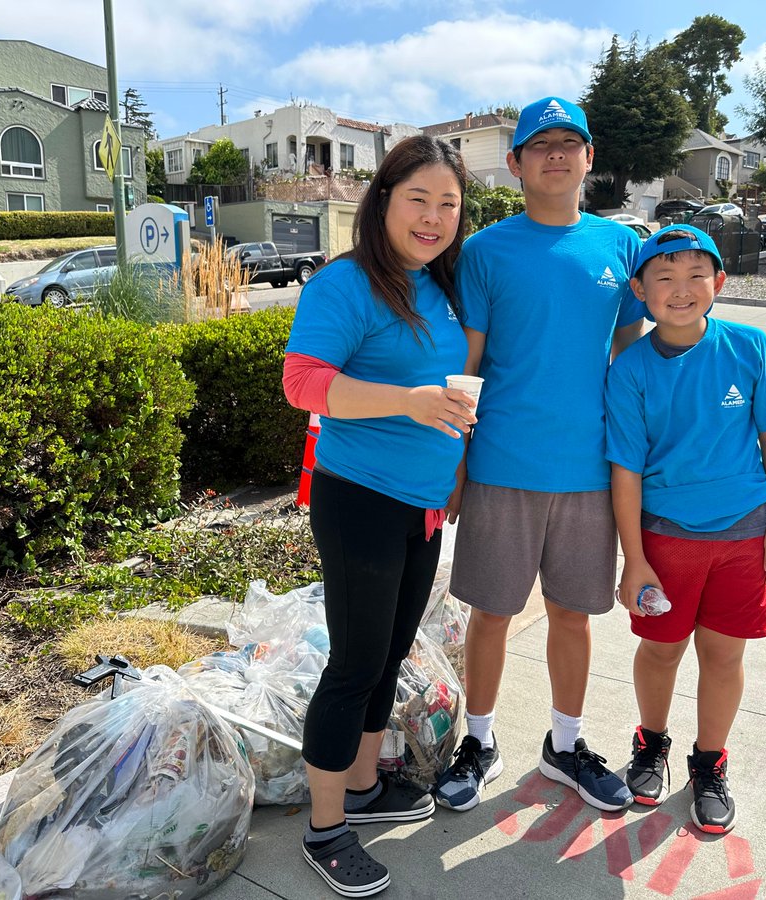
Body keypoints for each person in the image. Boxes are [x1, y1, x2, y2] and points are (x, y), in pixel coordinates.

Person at [433, 97, 645, 814]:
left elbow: (628, 346)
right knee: (490, 615)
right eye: (540, 144)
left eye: (570, 142)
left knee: (572, 616)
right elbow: (469, 362)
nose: (556, 154)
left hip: (589, 472)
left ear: (589, 158)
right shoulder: (487, 252)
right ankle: (481, 740)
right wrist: (456, 466)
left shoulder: (621, 249)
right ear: (517, 163)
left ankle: (565, 744)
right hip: (501, 467)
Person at [282, 135, 475, 897]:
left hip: (422, 506)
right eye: (418, 200)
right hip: (359, 496)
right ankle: (324, 829)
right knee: (354, 662)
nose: (432, 218)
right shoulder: (346, 284)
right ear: (384, 201)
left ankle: (361, 788)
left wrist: (452, 471)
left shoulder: (439, 285)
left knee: (391, 655)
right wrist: (407, 402)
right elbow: (303, 383)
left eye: (448, 205)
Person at [604, 224, 766, 833]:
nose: (682, 289)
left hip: (742, 536)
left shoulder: (750, 347)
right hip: (666, 538)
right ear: (640, 290)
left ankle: (709, 761)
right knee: (661, 649)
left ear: (719, 283)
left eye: (697, 275)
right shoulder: (630, 369)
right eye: (663, 277)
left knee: (723, 655)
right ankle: (652, 742)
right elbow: (626, 471)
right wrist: (633, 559)